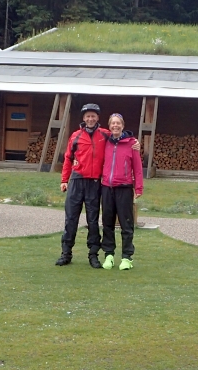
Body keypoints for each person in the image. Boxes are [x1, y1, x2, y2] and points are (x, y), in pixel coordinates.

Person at [57, 104, 139, 267]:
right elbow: (68, 158)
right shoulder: (76, 136)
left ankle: (93, 254)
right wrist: (64, 180)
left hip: (94, 183)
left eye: (93, 116)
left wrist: (134, 141)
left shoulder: (105, 134)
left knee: (93, 220)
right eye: (87, 116)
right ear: (83, 118)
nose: (90, 119)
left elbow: (121, 137)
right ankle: (66, 253)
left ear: (98, 118)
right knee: (71, 218)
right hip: (77, 180)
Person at [99, 113, 143, 271]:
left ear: (123, 125)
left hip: (124, 187)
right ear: (109, 126)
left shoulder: (131, 144)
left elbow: (137, 168)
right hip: (106, 187)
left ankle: (126, 257)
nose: (115, 126)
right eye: (112, 123)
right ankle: (109, 255)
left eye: (118, 123)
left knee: (126, 224)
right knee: (107, 223)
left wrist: (138, 187)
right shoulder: (105, 141)